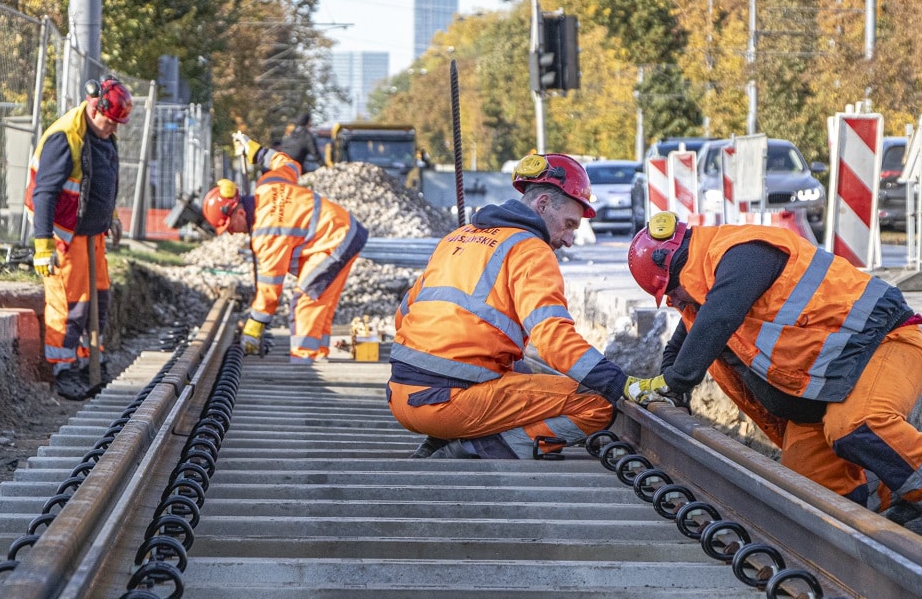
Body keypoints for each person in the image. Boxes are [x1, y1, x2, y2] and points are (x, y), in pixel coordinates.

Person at [626, 211, 922, 539]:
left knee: (856, 424)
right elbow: (682, 343)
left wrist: (675, 383)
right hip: (822, 393)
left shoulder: (743, 254)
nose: (676, 301)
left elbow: (717, 320)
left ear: (674, 270)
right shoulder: (703, 293)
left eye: (672, 293)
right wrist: (667, 388)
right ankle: (895, 496)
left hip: (886, 345)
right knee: (803, 496)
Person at [388, 153, 657, 460]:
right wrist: (618, 384)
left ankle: (441, 439)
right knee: (595, 403)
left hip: (402, 397)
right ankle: (467, 450)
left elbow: (404, 316)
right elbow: (554, 341)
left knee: (519, 370)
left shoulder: (457, 238)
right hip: (448, 404)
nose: (569, 239)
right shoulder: (530, 250)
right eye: (569, 224)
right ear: (542, 204)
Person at [201, 134, 367, 360]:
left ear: (239, 212)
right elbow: (289, 164)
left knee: (305, 300)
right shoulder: (268, 184)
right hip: (345, 232)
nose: (232, 232)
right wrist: (257, 152)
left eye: (230, 227)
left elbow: (270, 289)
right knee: (319, 304)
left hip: (333, 239)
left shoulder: (267, 233)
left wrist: (255, 325)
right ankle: (317, 354)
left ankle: (302, 363)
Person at [25, 77, 132, 400]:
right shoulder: (64, 137)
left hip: (91, 234)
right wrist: (42, 245)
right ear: (93, 105)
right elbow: (44, 194)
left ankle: (89, 362)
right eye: (109, 121)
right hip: (64, 236)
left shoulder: (102, 135)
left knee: (97, 301)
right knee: (70, 306)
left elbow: (103, 180)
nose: (112, 128)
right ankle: (63, 370)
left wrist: (109, 217)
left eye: (117, 124)